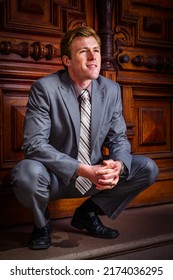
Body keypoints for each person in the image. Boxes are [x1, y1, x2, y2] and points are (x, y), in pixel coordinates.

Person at [11, 26, 159, 250]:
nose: (93, 58)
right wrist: (81, 169)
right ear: (66, 60)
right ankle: (42, 224)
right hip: (55, 178)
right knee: (26, 173)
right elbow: (34, 144)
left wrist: (117, 165)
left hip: (95, 177)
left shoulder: (110, 89)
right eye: (83, 52)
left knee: (147, 168)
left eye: (96, 50)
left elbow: (118, 138)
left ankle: (88, 213)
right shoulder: (45, 88)